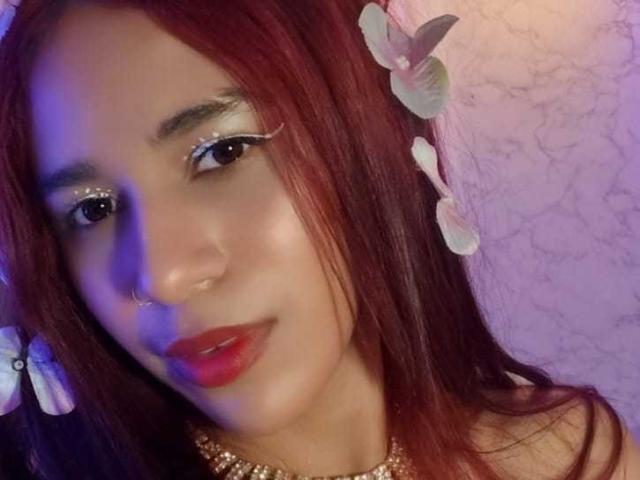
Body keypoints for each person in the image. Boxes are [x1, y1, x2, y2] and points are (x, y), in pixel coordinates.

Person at [0, 0, 638, 479]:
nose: (163, 276)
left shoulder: (570, 457)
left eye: (223, 152)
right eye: (92, 210)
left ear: (363, 137)